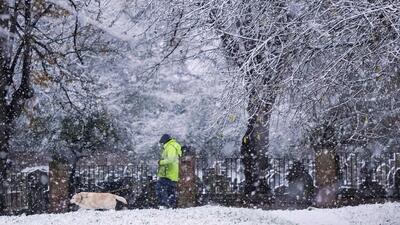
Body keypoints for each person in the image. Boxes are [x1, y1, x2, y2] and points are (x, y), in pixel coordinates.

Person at [156, 134, 182, 208]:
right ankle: (172, 206)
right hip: (173, 173)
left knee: (160, 187)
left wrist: (160, 162)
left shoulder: (170, 147)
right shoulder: (173, 146)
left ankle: (163, 204)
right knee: (171, 190)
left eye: (162, 143)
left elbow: (170, 159)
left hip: (168, 173)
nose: (162, 144)